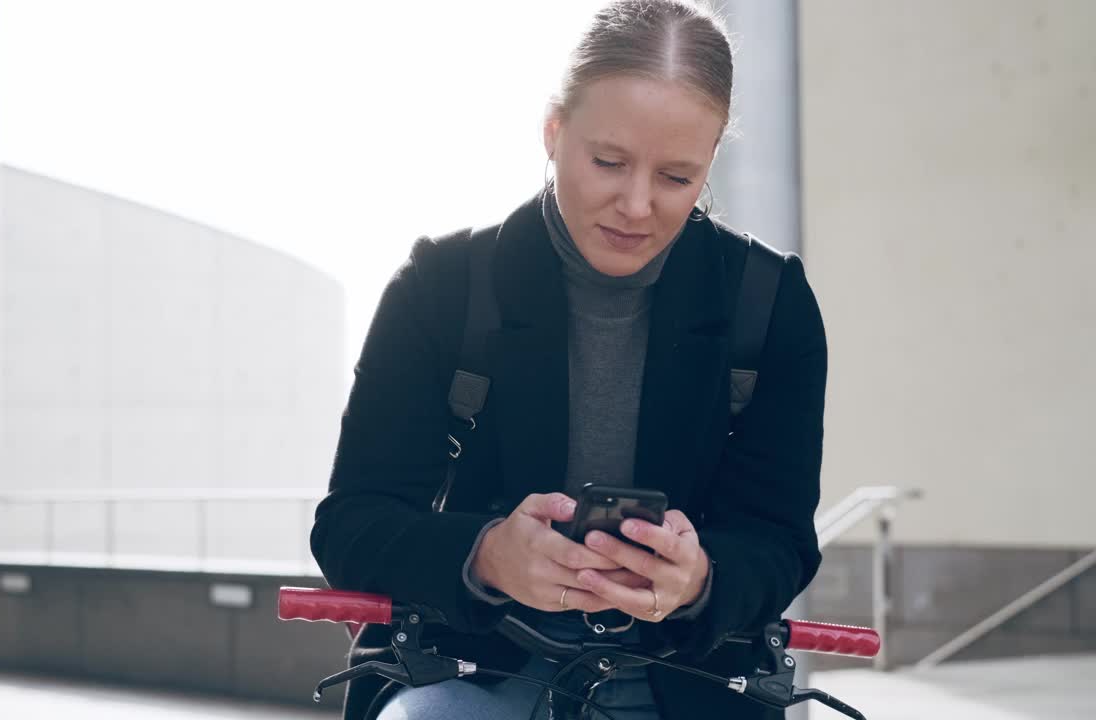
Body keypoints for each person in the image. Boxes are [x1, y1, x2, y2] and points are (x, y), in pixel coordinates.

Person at [310, 1, 826, 718]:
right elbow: (350, 525)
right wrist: (487, 555)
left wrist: (703, 578)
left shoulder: (770, 306)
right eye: (609, 162)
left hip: (696, 680)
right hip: (473, 664)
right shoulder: (441, 287)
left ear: (713, 158)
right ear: (553, 131)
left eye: (678, 177)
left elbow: (780, 542)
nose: (637, 205)